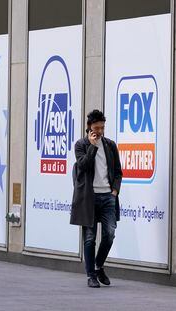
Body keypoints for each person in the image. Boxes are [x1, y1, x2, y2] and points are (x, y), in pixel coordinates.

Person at [70, 109, 122, 288]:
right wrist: (92, 147)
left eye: (102, 128)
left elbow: (118, 172)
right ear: (89, 127)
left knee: (110, 234)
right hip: (89, 198)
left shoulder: (110, 145)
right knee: (90, 238)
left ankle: (99, 266)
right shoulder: (80, 145)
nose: (99, 131)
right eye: (96, 128)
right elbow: (83, 166)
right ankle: (90, 275)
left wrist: (114, 191)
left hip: (108, 197)